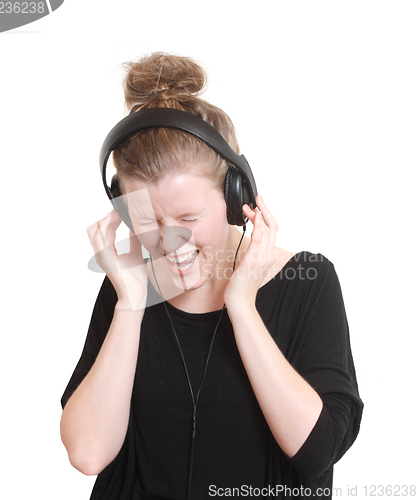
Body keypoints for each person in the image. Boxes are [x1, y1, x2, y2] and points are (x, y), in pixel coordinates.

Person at [60, 52, 363, 500]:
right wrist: (129, 304)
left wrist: (241, 305)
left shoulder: (307, 281)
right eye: (146, 219)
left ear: (234, 195)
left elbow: (317, 450)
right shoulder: (129, 285)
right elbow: (88, 454)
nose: (169, 240)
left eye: (189, 215)